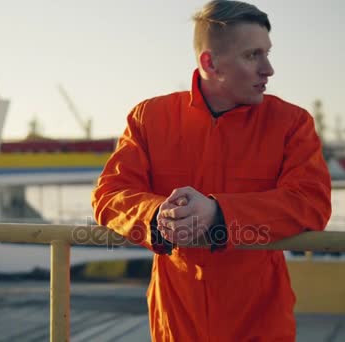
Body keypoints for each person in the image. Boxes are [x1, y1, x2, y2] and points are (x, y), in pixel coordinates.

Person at [91, 1, 332, 340]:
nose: (269, 69)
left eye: (267, 53)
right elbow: (110, 195)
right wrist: (157, 215)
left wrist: (219, 214)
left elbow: (311, 202)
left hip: (260, 322)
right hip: (176, 322)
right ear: (210, 62)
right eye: (253, 55)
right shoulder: (148, 118)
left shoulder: (292, 124)